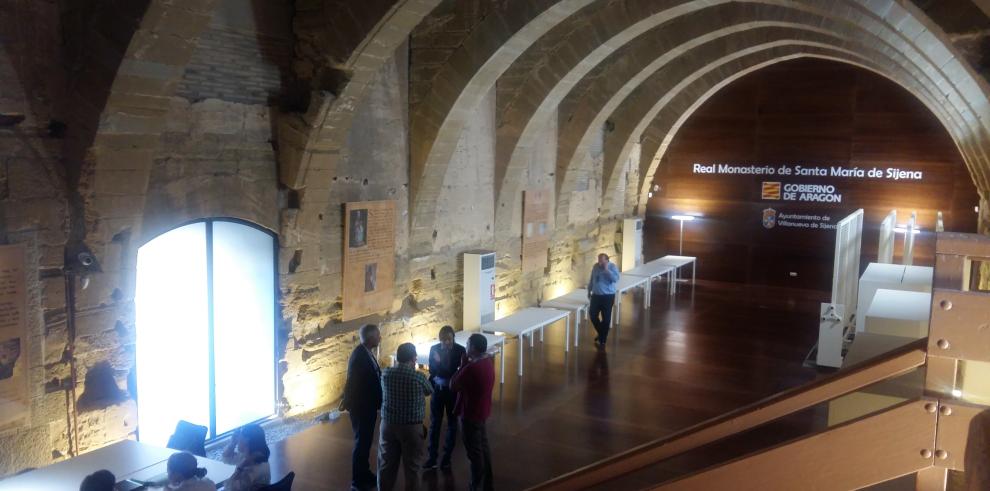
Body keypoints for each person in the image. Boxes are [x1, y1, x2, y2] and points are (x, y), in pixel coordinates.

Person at [378, 342, 433, 491]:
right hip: (411, 427)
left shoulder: (386, 373)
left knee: (385, 465)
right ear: (414, 358)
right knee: (412, 468)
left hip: (388, 424)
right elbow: (429, 390)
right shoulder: (418, 377)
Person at [340, 324, 384, 491]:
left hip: (367, 406)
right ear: (371, 337)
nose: (380, 338)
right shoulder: (360, 356)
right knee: (361, 443)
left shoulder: (365, 352)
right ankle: (357, 481)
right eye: (378, 335)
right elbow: (359, 385)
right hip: (362, 408)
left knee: (365, 443)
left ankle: (364, 474)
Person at [451, 334, 496, 491]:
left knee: (474, 453)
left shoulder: (473, 367)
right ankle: (487, 484)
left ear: (474, 348)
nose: (466, 346)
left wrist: (463, 365)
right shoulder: (488, 361)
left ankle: (475, 485)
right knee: (483, 448)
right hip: (482, 410)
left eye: (468, 344)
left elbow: (453, 385)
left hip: (470, 413)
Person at [424, 325, 466, 470]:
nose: (445, 343)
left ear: (453, 338)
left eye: (448, 340)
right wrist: (438, 364)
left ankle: (447, 457)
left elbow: (453, 372)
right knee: (435, 423)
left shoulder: (460, 350)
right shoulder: (434, 348)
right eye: (443, 340)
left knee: (452, 423)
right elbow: (432, 371)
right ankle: (432, 457)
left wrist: (439, 361)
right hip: (438, 390)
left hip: (452, 391)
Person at [221, 423, 271, 490]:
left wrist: (240, 468)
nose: (237, 440)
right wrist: (232, 443)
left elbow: (229, 488)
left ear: (247, 440)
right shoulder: (256, 455)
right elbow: (226, 459)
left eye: (239, 437)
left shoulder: (249, 469)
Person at [587, 253, 620, 348]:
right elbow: (592, 279)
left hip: (608, 296)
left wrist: (606, 270)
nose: (599, 262)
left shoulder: (612, 267)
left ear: (607, 260)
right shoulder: (595, 266)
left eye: (601, 260)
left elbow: (615, 279)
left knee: (606, 319)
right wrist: (589, 290)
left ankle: (602, 339)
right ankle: (602, 333)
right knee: (593, 315)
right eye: (598, 260)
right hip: (596, 295)